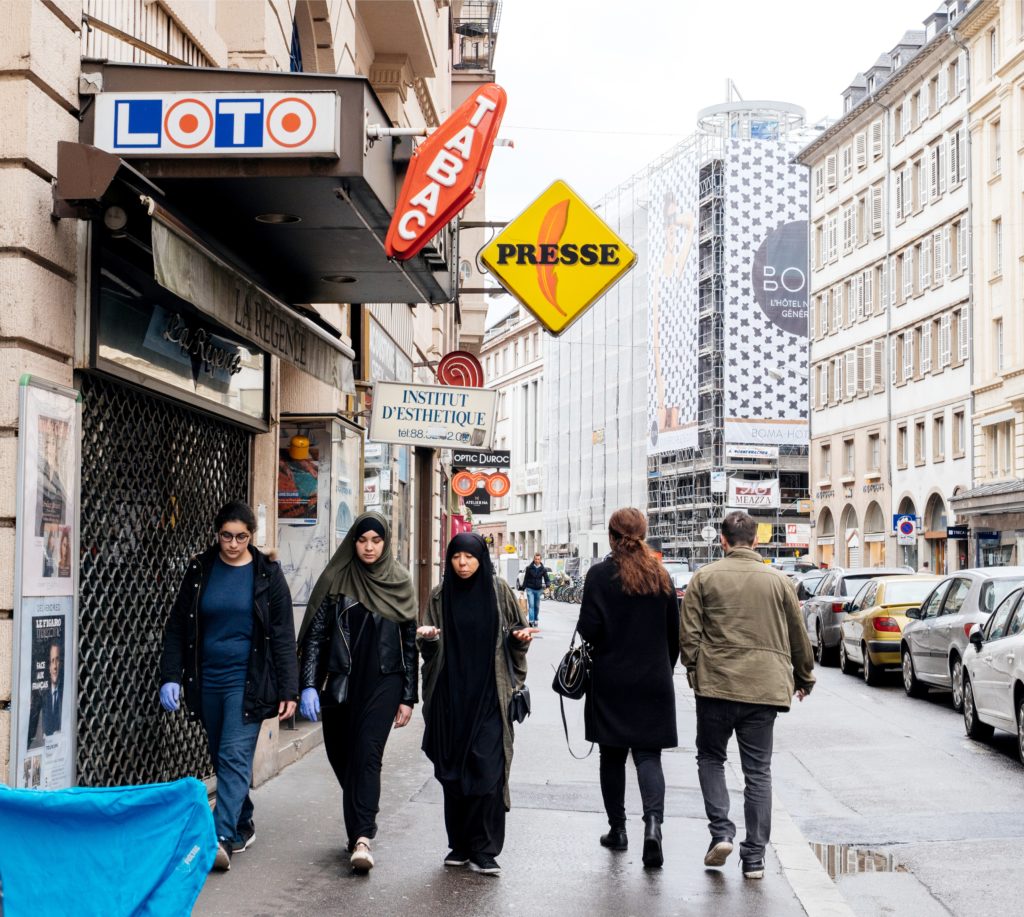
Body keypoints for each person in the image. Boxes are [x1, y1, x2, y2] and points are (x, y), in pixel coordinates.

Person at [159, 500, 298, 872]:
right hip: (207, 680)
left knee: (234, 756)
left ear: (251, 536)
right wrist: (171, 676)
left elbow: (283, 635)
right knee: (222, 754)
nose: (233, 544)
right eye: (226, 536)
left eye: (241, 537)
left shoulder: (267, 574)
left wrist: (290, 689)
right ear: (216, 534)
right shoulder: (200, 569)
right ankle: (242, 822)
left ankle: (218, 839)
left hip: (248, 679)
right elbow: (177, 627)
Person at [680, 511, 815, 880]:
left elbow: (688, 635)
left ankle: (721, 831)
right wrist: (804, 676)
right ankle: (754, 858)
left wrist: (695, 671)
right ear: (756, 541)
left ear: (722, 541)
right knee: (758, 772)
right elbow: (798, 634)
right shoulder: (779, 581)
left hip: (716, 685)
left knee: (710, 758)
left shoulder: (704, 578)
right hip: (764, 688)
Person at [297, 512, 418, 874]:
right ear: (354, 542)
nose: (368, 547)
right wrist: (307, 684)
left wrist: (409, 696)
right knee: (342, 757)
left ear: (385, 544)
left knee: (367, 756)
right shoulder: (336, 579)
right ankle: (359, 827)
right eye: (363, 540)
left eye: (376, 541)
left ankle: (362, 838)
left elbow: (409, 645)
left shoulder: (400, 582)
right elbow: (316, 637)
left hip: (385, 681)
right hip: (340, 683)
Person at [418, 533, 535, 876]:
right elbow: (429, 650)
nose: (463, 564)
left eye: (470, 557)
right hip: (450, 697)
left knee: (486, 772)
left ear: (481, 559)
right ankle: (459, 844)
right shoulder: (440, 596)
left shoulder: (498, 592)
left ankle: (485, 849)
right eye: (456, 557)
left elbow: (518, 636)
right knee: (453, 772)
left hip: (490, 695)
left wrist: (520, 640)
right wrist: (427, 641)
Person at [576, 508, 679, 869]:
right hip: (654, 678)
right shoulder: (661, 575)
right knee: (649, 757)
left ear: (611, 535)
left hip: (612, 678)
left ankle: (618, 830)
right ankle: (653, 825)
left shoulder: (600, 575)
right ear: (643, 533)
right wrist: (663, 669)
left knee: (613, 756)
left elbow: (588, 629)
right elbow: (673, 635)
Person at [521, 553, 550, 627]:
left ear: (540, 560)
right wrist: (522, 589)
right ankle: (531, 621)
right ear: (534, 559)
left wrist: (548, 586)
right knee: (531, 605)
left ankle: (536, 619)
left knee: (536, 606)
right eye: (536, 559)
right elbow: (526, 579)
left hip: (538, 590)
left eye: (538, 559)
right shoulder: (529, 568)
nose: (537, 560)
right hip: (530, 589)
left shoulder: (543, 569)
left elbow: (547, 579)